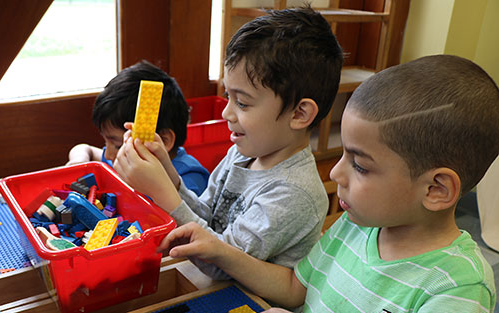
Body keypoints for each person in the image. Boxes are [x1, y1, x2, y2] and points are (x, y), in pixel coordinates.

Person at [158, 55, 499, 312]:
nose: (335, 174)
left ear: (436, 189)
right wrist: (222, 252)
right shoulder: (356, 226)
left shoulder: (458, 287)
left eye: (360, 166)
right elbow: (296, 286)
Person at [113, 7, 343, 279]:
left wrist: (163, 193)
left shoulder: (295, 193)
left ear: (299, 114)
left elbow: (220, 266)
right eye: (228, 97)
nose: (226, 113)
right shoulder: (242, 154)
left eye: (242, 102)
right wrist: (168, 173)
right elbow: (207, 219)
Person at [66, 60, 210, 196]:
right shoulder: (122, 158)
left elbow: (189, 218)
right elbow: (86, 149)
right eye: (106, 142)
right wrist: (79, 161)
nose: (108, 155)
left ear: (164, 141)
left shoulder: (190, 178)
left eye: (117, 145)